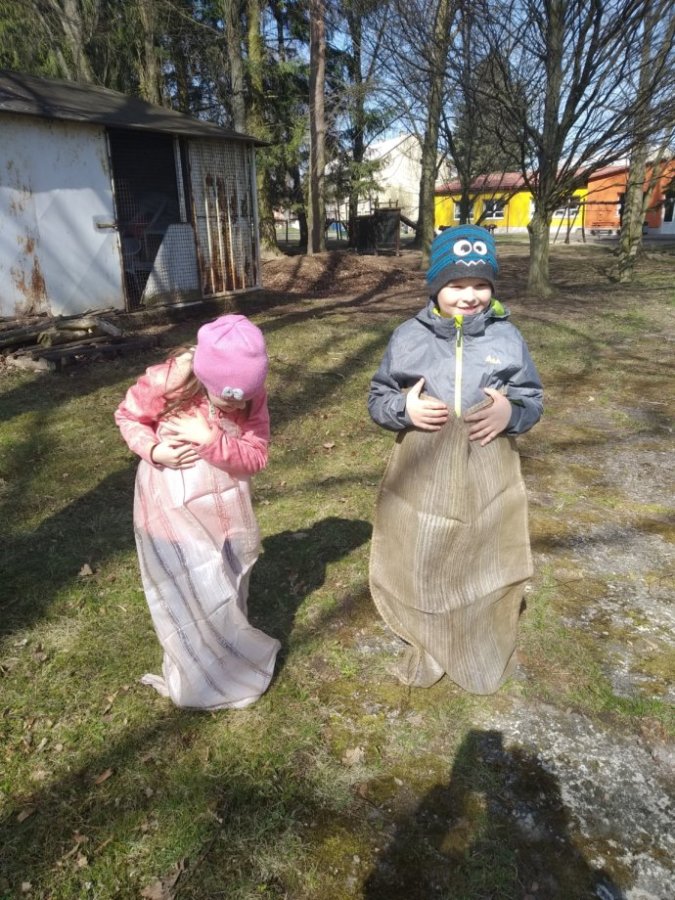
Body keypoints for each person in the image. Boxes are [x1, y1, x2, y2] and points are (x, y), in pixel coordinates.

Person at [367, 224, 543, 694]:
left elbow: (532, 398)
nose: (469, 296)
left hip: (488, 458)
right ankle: (425, 615)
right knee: (424, 540)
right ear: (436, 286)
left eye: (481, 284)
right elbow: (378, 398)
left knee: (483, 538)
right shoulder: (408, 336)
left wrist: (511, 413)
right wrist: (404, 409)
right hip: (424, 462)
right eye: (457, 284)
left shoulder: (508, 337)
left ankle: (476, 614)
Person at [115, 315, 280, 710]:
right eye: (229, 398)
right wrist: (155, 450)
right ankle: (194, 666)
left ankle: (227, 658)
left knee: (225, 578)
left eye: (244, 397)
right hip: (169, 504)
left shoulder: (252, 396)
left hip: (225, 504)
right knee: (185, 583)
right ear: (205, 376)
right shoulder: (169, 380)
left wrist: (210, 439)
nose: (238, 405)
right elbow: (128, 415)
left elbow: (256, 456)